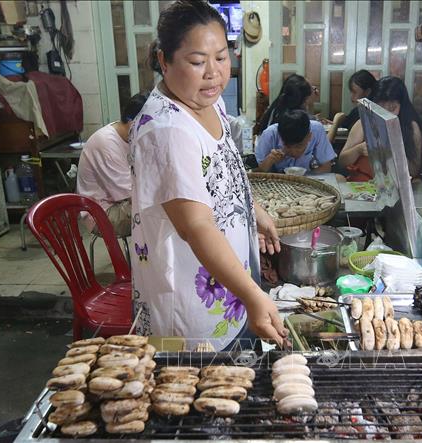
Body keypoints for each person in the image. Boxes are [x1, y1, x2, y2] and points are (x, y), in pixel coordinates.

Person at [129, 0, 288, 350]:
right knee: (196, 394)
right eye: (198, 61)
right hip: (191, 314)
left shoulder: (208, 100)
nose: (214, 73)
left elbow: (226, 164)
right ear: (163, 60)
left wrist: (252, 207)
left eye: (221, 57)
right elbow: (195, 226)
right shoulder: (167, 130)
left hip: (230, 295)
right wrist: (253, 295)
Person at [76, 93, 148, 237]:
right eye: (147, 125)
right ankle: (152, 259)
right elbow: (131, 194)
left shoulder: (131, 137)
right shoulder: (107, 144)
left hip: (123, 201)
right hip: (102, 213)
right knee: (163, 214)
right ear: (131, 122)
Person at [338, 76, 422, 181]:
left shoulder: (412, 127)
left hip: (395, 185)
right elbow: (342, 162)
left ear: (402, 107)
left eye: (392, 108)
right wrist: (358, 150)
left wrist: (396, 152)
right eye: (380, 108)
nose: (385, 113)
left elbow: (415, 170)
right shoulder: (362, 124)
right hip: (363, 185)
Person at [254, 109, 336, 174]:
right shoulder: (270, 134)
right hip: (277, 182)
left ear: (309, 136)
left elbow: (326, 167)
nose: (293, 152)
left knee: (339, 178)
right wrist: (269, 160)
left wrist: (304, 179)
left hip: (307, 179)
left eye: (299, 146)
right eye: (287, 146)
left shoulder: (317, 130)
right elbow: (257, 173)